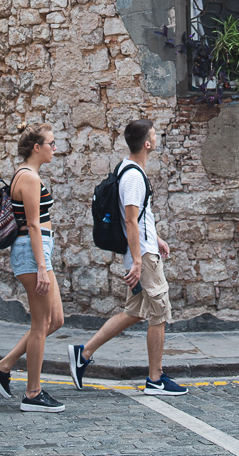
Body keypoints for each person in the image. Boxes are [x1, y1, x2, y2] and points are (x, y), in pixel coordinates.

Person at [67, 118, 188, 396]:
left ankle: (83, 354)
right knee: (159, 313)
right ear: (146, 144)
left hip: (144, 250)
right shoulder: (134, 176)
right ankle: (155, 379)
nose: (156, 138)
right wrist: (138, 260)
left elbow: (140, 217)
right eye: (154, 135)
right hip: (143, 257)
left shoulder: (126, 168)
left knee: (134, 312)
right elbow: (130, 221)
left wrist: (157, 239)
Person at [0, 123, 65, 412]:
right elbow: (32, 225)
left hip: (38, 251)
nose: (55, 148)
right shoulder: (28, 178)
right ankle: (32, 393)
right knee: (40, 325)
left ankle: (3, 366)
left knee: (56, 320)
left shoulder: (26, 174)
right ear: (37, 148)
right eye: (51, 143)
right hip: (33, 253)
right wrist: (42, 266)